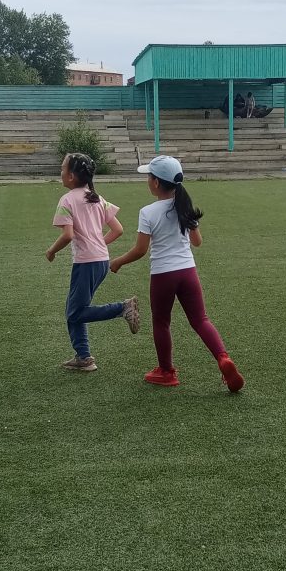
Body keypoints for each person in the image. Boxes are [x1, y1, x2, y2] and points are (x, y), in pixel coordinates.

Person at [110, 155, 244, 392]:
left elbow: (140, 250)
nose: (147, 181)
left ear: (156, 183)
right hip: (188, 272)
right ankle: (223, 358)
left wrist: (118, 262)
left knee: (161, 322)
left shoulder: (147, 212)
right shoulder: (185, 207)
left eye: (149, 177)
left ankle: (166, 372)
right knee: (201, 320)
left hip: (163, 275)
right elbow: (197, 242)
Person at [46, 152, 140, 372]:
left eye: (62, 168)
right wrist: (98, 244)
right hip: (101, 261)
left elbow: (68, 235)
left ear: (71, 176)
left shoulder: (68, 199)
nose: (60, 172)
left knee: (75, 312)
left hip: (86, 263)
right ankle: (84, 357)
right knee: (74, 309)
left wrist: (51, 251)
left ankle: (122, 308)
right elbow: (118, 229)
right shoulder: (96, 198)